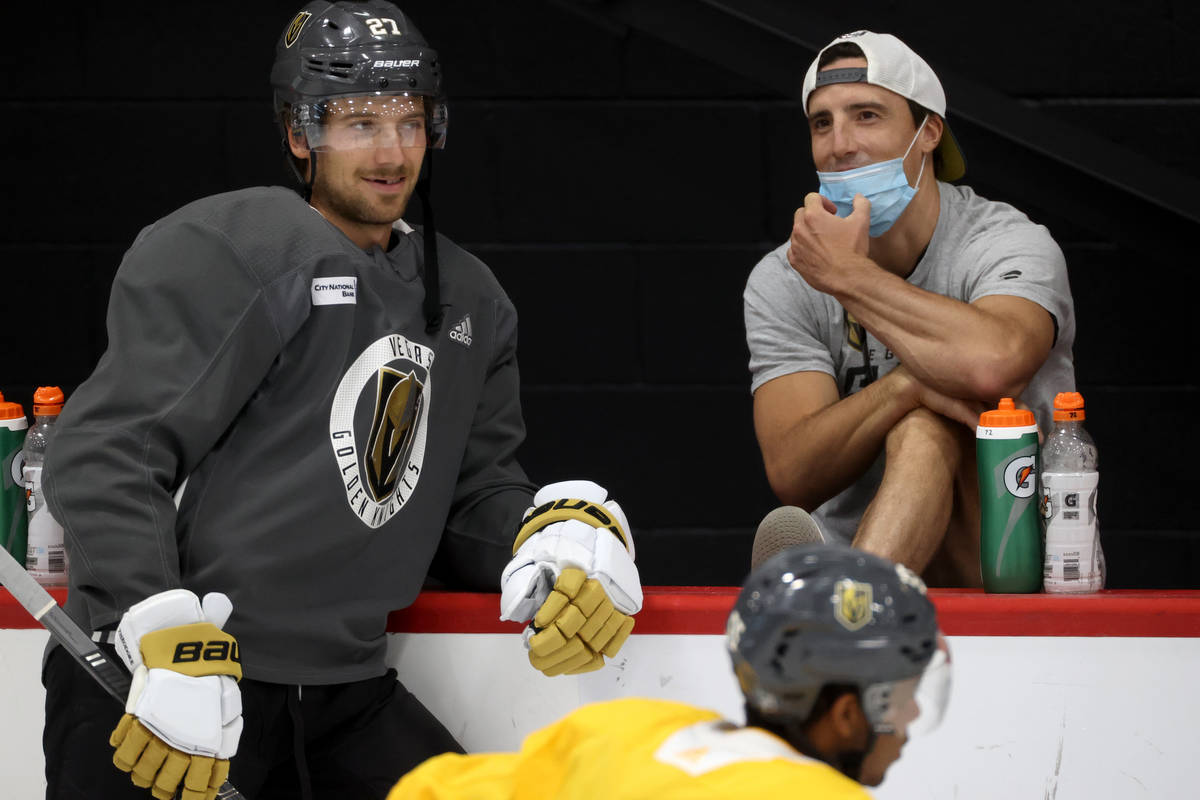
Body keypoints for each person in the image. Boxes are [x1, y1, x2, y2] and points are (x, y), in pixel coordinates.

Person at [39, 3, 641, 799]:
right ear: (300, 134)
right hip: (165, 677)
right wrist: (156, 623)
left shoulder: (470, 298)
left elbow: (467, 493)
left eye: (410, 121)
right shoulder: (237, 248)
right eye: (359, 122)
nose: (392, 151)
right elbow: (111, 448)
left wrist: (552, 533)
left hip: (341, 696)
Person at [743, 31, 1076, 585]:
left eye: (866, 115)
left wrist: (849, 279)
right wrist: (908, 386)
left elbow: (995, 363)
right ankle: (852, 600)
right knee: (921, 412)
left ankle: (843, 617)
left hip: (1004, 565)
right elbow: (793, 473)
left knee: (930, 427)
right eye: (821, 123)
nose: (840, 143)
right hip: (865, 542)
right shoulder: (785, 277)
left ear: (928, 133)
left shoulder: (1005, 242)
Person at [386, 542, 951, 799]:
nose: (914, 713)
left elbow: (431, 791)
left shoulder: (628, 728)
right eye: (901, 696)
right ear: (849, 714)